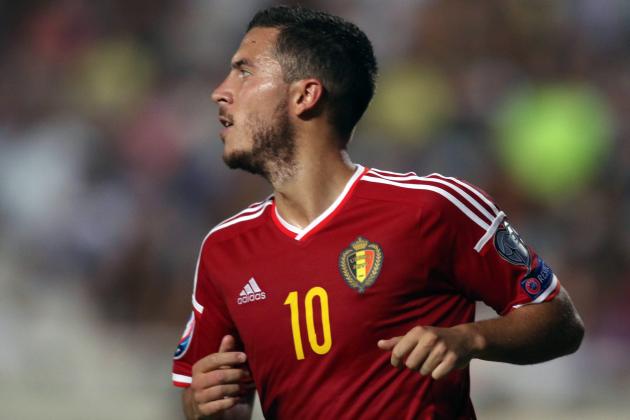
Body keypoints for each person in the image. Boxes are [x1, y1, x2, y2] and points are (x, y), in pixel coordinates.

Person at [171, 6, 584, 419]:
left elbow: (560, 320)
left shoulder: (431, 208)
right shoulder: (223, 249)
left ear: (305, 96)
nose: (220, 91)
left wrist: (470, 339)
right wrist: (204, 405)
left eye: (244, 71)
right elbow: (207, 398)